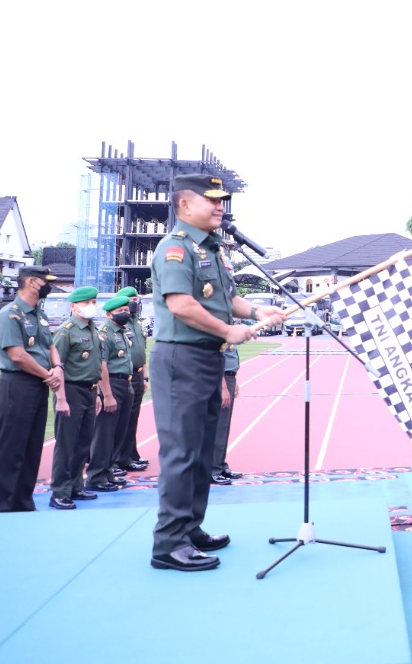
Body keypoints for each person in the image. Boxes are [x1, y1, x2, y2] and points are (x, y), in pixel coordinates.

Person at [149, 174, 284, 571]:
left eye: (222, 200)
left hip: (208, 358)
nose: (220, 206)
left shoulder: (212, 250)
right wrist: (228, 331)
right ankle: (168, 544)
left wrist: (257, 312)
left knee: (203, 451)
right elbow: (181, 304)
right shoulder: (175, 248)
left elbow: (227, 298)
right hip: (181, 359)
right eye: (211, 200)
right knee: (181, 453)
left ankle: (190, 529)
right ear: (185, 205)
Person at [0, 266, 66, 513]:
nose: (49, 285)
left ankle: (23, 504)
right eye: (46, 281)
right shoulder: (10, 315)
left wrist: (57, 366)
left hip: (38, 384)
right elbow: (18, 356)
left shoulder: (38, 315)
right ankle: (1, 509)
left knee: (32, 448)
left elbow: (50, 345)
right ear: (33, 282)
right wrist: (49, 376)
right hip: (17, 385)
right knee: (11, 450)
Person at [49, 287, 115, 509]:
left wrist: (96, 393)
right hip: (71, 390)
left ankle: (76, 486)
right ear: (73, 306)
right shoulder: (66, 332)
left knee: (83, 444)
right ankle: (59, 491)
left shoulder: (94, 330)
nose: (92, 305)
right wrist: (61, 398)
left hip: (89, 390)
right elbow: (56, 367)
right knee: (67, 444)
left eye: (94, 301)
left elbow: (95, 365)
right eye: (86, 302)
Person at [88, 295, 134, 492]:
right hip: (112, 384)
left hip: (125, 383)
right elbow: (102, 367)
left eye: (126, 310)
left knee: (117, 433)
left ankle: (107, 472)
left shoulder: (122, 332)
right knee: (104, 433)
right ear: (109, 314)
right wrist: (106, 395)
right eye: (120, 311)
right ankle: (96, 476)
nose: (125, 313)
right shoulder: (105, 334)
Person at [116, 287, 150, 472]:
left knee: (132, 418)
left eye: (136, 299)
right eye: (131, 299)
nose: (134, 302)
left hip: (137, 374)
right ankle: (117, 458)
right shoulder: (120, 323)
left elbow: (141, 352)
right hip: (124, 375)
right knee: (120, 420)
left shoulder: (137, 322)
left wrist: (145, 377)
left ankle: (129, 455)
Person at [211, 340, 242, 485]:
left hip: (228, 376)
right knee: (219, 426)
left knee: (224, 425)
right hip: (220, 379)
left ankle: (220, 465)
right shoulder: (219, 329)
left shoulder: (225, 326)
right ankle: (213, 469)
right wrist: (223, 387)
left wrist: (233, 381)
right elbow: (215, 360)